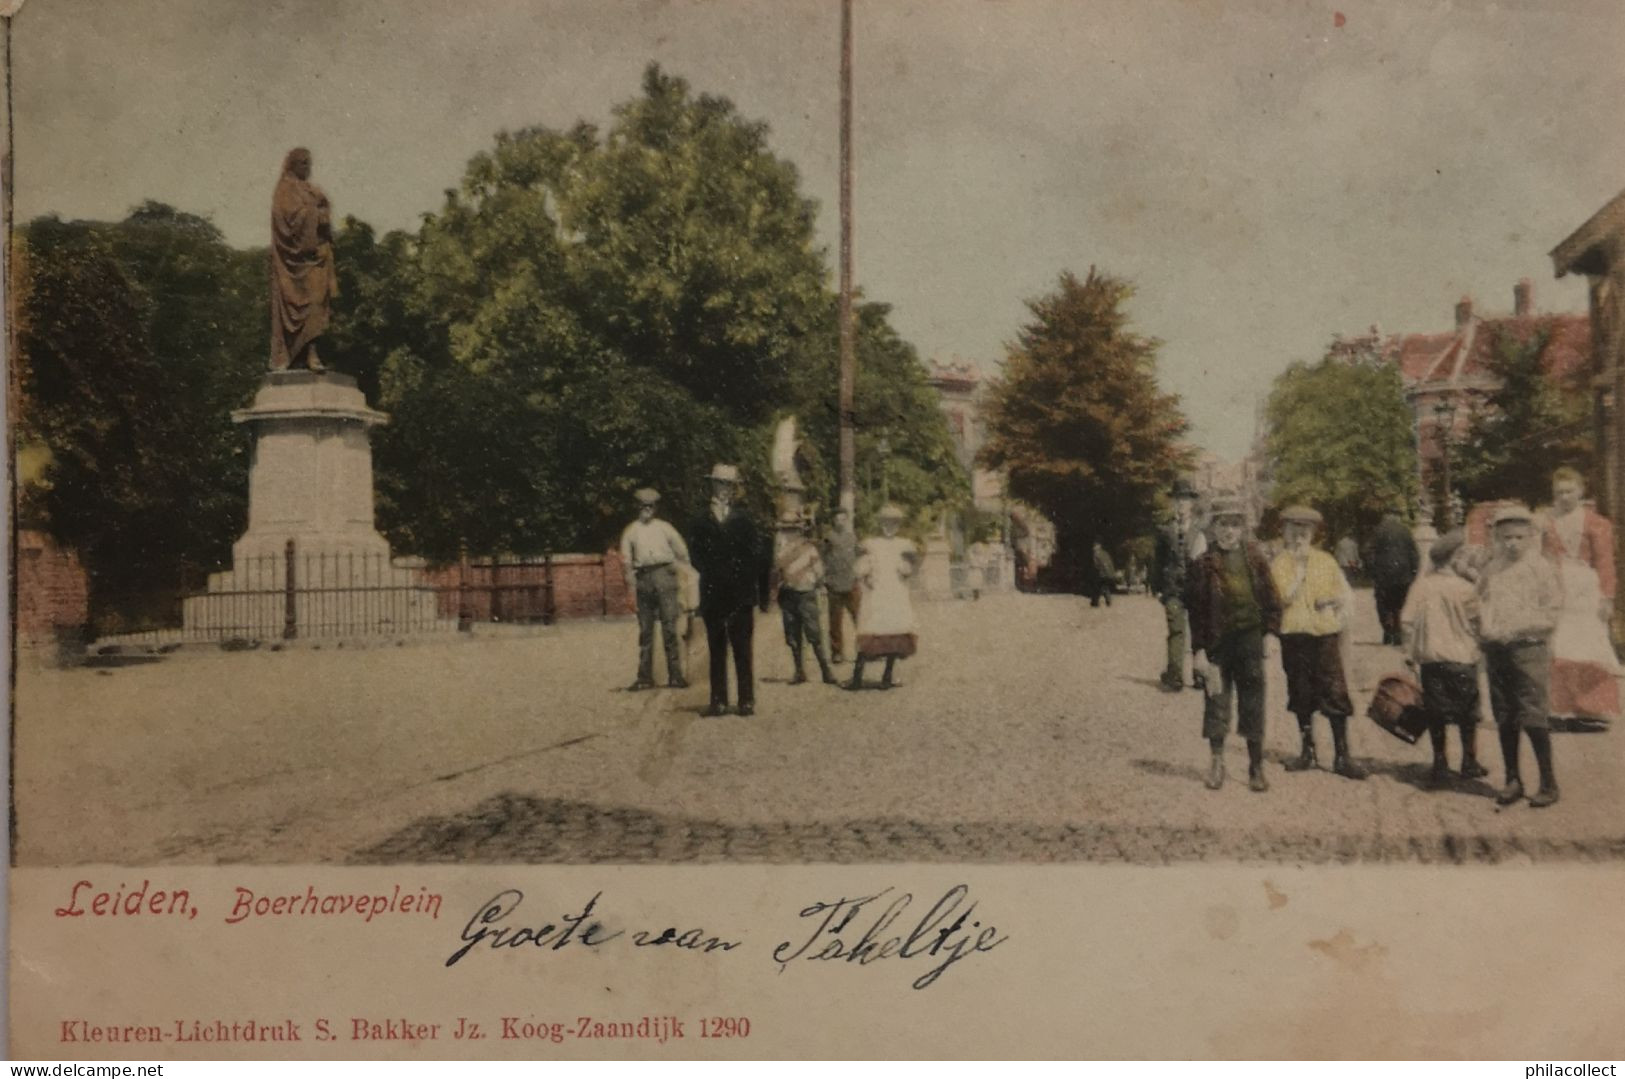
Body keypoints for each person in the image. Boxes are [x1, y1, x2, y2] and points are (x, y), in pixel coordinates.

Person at [1186, 498, 1282, 792]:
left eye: (1234, 524)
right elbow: (1197, 611)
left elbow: (1271, 599)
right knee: (1216, 700)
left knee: (1253, 701)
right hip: (1218, 645)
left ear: (1242, 528)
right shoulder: (1203, 564)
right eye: (1223, 524)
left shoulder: (1255, 559)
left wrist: (1271, 633)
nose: (1229, 531)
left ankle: (1255, 766)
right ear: (1213, 528)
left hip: (1250, 641)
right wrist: (1199, 651)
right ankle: (1217, 763)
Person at [1270, 505, 1366, 780]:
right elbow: (1280, 599)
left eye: (1305, 532)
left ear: (1313, 534)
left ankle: (1342, 755)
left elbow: (1343, 595)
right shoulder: (1280, 564)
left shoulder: (1326, 561)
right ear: (1285, 533)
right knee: (1301, 693)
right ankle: (1307, 751)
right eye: (1294, 531)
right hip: (1295, 636)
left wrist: (1334, 601)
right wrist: (1299, 576)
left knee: (1335, 691)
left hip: (1324, 635)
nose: (1299, 537)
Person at [1478, 504, 1562, 807]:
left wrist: (1516, 629)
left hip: (1528, 649)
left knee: (1533, 715)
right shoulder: (1493, 568)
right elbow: (1483, 603)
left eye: (1518, 537)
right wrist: (1487, 628)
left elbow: (1550, 615)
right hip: (1497, 649)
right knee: (1505, 715)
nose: (1512, 544)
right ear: (1497, 537)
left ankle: (1548, 783)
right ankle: (1512, 779)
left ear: (1530, 536)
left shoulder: (1540, 568)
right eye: (1506, 538)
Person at [1399, 530, 1488, 787]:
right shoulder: (1465, 588)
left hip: (1431, 660)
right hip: (1462, 659)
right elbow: (1479, 623)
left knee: (1436, 713)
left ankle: (1440, 764)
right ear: (1456, 557)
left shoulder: (1422, 586)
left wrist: (1409, 652)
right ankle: (1469, 762)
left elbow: (1406, 622)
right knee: (1468, 714)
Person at [688, 464, 771, 717]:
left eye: (729, 485)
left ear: (734, 489)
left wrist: (754, 588)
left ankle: (746, 700)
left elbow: (757, 555)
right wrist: (713, 572)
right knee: (716, 648)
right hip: (713, 591)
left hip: (740, 594)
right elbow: (695, 555)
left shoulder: (745, 519)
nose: (724, 490)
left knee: (743, 648)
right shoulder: (700, 519)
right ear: (712, 485)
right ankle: (718, 700)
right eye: (720, 484)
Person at [1541, 467, 1619, 727]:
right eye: (1558, 492)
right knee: (1559, 645)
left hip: (1586, 589)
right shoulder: (1546, 521)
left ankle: (1590, 708)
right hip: (1557, 588)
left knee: (1587, 646)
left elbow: (1606, 562)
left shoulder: (1597, 523)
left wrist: (1607, 598)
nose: (1564, 497)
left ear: (1580, 491)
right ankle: (1561, 708)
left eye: (1569, 491)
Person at [269, 147, 337, 372]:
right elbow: (286, 220)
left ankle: (312, 352)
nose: (307, 168)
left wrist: (323, 210)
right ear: (292, 165)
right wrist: (315, 213)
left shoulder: (311, 189)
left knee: (317, 305)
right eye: (303, 164)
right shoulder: (285, 190)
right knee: (305, 306)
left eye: (309, 164)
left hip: (318, 257)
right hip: (295, 262)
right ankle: (302, 355)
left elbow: (322, 212)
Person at [618, 488, 690, 691]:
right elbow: (625, 561)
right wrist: (630, 586)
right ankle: (644, 677)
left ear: (656, 508)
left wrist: (675, 573)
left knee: (669, 628)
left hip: (665, 577)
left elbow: (683, 552)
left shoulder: (665, 528)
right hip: (643, 579)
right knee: (646, 630)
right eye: (643, 506)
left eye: (650, 506)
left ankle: (675, 676)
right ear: (637, 507)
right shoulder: (631, 531)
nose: (647, 510)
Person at [848, 504, 919, 691]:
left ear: (898, 525)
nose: (890, 527)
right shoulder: (871, 544)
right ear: (880, 524)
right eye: (886, 523)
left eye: (894, 523)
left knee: (894, 635)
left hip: (896, 595)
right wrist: (867, 575)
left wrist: (905, 568)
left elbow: (908, 570)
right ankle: (856, 678)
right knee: (871, 633)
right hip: (877, 595)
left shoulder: (904, 545)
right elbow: (859, 569)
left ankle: (887, 676)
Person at [775, 513, 838, 686]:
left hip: (805, 594)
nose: (790, 533)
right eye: (786, 530)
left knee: (814, 634)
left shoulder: (809, 548)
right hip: (787, 595)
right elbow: (776, 570)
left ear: (800, 530)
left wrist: (813, 581)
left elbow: (819, 572)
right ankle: (799, 671)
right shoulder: (780, 549)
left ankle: (826, 671)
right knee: (792, 635)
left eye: (793, 529)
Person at [1152, 479, 1201, 691]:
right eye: (1178, 500)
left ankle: (1200, 674)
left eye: (1186, 500)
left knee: (1200, 630)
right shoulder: (1164, 531)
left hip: (1197, 588)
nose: (1182, 504)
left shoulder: (1201, 530)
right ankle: (1175, 675)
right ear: (1173, 503)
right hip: (1172, 589)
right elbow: (1158, 561)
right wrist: (1157, 587)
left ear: (1192, 503)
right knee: (1176, 630)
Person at [1366, 509, 1420, 646]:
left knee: (1383, 604)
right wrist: (1414, 572)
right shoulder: (1405, 531)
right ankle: (1398, 633)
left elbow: (1370, 552)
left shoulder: (1378, 531)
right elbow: (1414, 553)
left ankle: (1387, 630)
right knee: (1400, 604)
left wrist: (1373, 571)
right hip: (1403, 574)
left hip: (1383, 575)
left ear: (1386, 516)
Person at [822, 508, 861, 664]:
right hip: (834, 585)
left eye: (843, 519)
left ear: (847, 521)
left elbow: (859, 557)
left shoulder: (853, 537)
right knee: (835, 622)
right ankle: (837, 652)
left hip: (852, 583)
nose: (840, 522)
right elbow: (822, 558)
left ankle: (865, 649)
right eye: (837, 519)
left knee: (859, 618)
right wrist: (826, 579)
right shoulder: (829, 538)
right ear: (834, 521)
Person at [1088, 541, 1117, 607]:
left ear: (1098, 546)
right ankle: (1108, 601)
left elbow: (1096, 565)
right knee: (1105, 587)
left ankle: (1095, 603)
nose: (1093, 548)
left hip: (1101, 574)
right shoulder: (1105, 553)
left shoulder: (1096, 554)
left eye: (1094, 546)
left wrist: (1095, 573)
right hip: (1109, 574)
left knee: (1097, 588)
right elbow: (1110, 563)